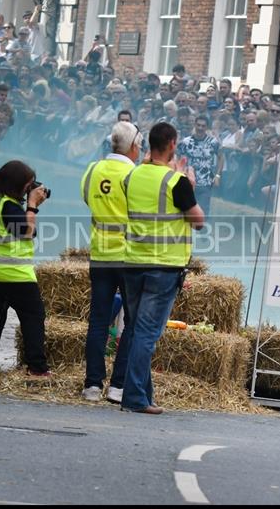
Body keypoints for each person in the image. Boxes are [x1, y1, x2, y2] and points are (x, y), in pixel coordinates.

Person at [120, 122, 205, 414]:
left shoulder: (132, 176)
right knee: (146, 333)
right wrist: (189, 186)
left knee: (136, 329)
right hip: (164, 266)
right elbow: (199, 221)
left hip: (132, 262)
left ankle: (143, 394)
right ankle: (133, 398)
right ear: (171, 144)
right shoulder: (176, 182)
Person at [80, 121, 143, 403]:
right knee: (131, 322)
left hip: (100, 255)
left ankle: (92, 384)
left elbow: (86, 199)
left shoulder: (93, 169)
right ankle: (118, 387)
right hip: (128, 257)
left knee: (98, 321)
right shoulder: (135, 174)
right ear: (133, 146)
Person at [0, 160, 51, 379]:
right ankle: (37, 368)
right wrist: (32, 206)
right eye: (28, 184)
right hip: (14, 274)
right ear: (16, 184)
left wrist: (29, 206)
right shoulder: (9, 206)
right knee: (33, 315)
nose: (31, 188)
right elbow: (27, 232)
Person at [178, 115, 222, 218]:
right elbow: (179, 158)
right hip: (188, 181)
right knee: (187, 208)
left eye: (203, 126)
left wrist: (218, 175)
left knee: (203, 210)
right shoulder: (186, 142)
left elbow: (221, 157)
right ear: (195, 125)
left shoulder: (213, 142)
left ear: (207, 127)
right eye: (198, 125)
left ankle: (203, 232)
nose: (200, 128)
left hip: (205, 182)